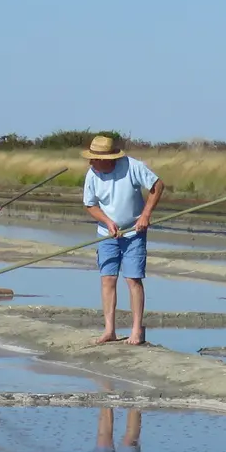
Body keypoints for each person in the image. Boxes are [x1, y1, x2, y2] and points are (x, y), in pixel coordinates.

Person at [80, 135, 164, 346]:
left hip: (134, 232)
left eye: (95, 159)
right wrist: (107, 221)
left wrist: (145, 215)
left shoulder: (132, 167)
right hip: (107, 234)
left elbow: (157, 186)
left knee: (133, 279)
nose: (91, 163)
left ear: (108, 158)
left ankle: (136, 330)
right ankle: (110, 330)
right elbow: (90, 205)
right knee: (107, 278)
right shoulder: (92, 174)